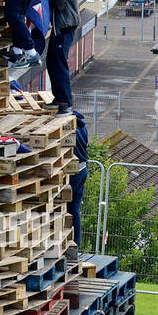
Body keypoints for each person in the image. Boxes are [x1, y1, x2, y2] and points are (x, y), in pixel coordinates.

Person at [44, 0, 80, 113]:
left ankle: (65, 102)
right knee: (51, 61)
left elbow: (58, 4)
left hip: (64, 27)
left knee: (59, 63)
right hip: (62, 27)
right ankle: (59, 98)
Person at [69, 109, 88, 254]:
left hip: (73, 172)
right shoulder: (82, 125)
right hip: (83, 169)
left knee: (63, 207)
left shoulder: (69, 127)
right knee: (75, 210)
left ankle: (68, 243)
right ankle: (76, 244)